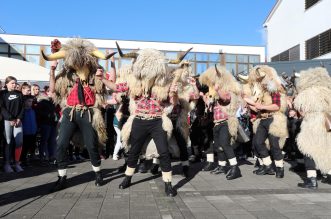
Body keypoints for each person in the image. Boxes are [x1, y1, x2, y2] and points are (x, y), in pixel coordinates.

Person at [43, 38, 115, 192]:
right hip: (70, 111)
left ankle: (97, 173)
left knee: (91, 144)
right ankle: (62, 176)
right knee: (61, 144)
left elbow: (111, 84)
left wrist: (112, 65)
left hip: (88, 112)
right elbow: (53, 89)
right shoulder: (66, 74)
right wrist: (51, 71)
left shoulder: (96, 73)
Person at [0, 76, 24, 173]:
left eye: (15, 83)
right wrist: (10, 118)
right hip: (7, 120)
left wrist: (18, 118)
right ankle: (7, 164)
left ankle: (17, 163)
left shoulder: (19, 94)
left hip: (18, 121)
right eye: (12, 83)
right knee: (8, 142)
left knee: (19, 142)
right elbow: (2, 108)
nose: (14, 85)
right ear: (6, 84)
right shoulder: (2, 94)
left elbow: (22, 107)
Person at [21, 95, 38, 166]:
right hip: (25, 132)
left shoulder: (33, 111)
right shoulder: (22, 111)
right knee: (24, 148)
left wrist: (35, 129)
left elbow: (34, 121)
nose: (30, 103)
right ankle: (23, 161)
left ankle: (29, 160)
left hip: (33, 132)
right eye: (29, 101)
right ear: (24, 102)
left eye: (31, 101)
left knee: (31, 146)